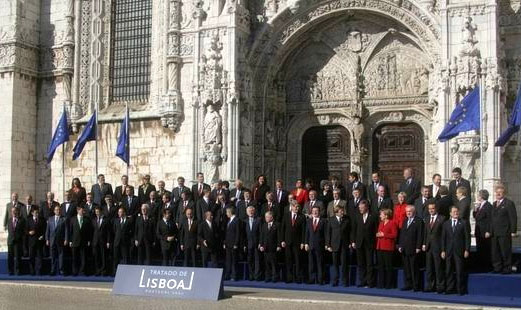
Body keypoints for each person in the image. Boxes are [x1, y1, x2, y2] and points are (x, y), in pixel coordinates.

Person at [441, 206, 471, 295]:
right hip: (448, 250)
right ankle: (449, 289)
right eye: (454, 212)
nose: (456, 213)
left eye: (457, 211)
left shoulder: (464, 223)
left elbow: (467, 237)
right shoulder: (446, 224)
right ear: (450, 213)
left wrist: (466, 249)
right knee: (449, 270)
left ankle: (460, 290)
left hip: (459, 250)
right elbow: (443, 238)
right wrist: (443, 250)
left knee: (459, 271)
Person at [488, 185, 517, 274]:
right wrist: (489, 230)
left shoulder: (509, 203)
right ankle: (497, 268)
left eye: (500, 192)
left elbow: (513, 218)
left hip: (504, 231)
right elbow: (491, 219)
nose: (498, 194)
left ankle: (507, 268)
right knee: (495, 251)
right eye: (497, 192)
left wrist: (513, 231)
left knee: (505, 251)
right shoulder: (494, 204)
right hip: (494, 232)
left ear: (504, 193)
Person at [351, 200, 377, 288]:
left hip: (369, 243)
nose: (360, 209)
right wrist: (353, 241)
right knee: (361, 263)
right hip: (359, 243)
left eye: (362, 208)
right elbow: (353, 230)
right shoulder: (357, 216)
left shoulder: (373, 216)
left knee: (369, 263)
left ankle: (370, 282)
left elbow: (376, 230)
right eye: (359, 208)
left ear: (366, 207)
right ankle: (362, 281)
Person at [398, 205, 424, 291]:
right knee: (407, 268)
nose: (408, 213)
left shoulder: (419, 221)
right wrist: (400, 245)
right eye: (407, 211)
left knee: (414, 268)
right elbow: (402, 234)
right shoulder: (405, 220)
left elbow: (420, 235)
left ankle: (415, 285)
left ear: (414, 212)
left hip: (414, 248)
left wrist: (418, 246)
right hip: (405, 248)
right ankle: (408, 284)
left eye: (410, 211)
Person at [423, 202, 445, 293]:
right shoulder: (427, 219)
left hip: (438, 247)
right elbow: (425, 233)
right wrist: (424, 244)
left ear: (436, 209)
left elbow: (444, 235)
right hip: (428, 247)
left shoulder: (442, 219)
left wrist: (443, 249)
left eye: (432, 208)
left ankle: (440, 286)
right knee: (429, 268)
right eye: (429, 209)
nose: (431, 210)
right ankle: (429, 286)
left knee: (438, 267)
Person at [280, 202, 306, 283]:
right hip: (287, 242)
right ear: (291, 207)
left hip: (297, 243)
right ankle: (289, 277)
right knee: (288, 260)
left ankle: (298, 278)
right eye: (295, 207)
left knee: (298, 260)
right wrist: (282, 240)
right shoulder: (286, 215)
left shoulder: (302, 216)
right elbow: (282, 228)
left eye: (298, 207)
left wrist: (303, 242)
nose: (297, 208)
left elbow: (303, 231)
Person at [326, 206, 350, 287]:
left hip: (344, 245)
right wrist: (328, 244)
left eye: (343, 211)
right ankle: (335, 280)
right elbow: (328, 233)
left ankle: (344, 281)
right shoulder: (331, 219)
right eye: (341, 211)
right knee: (335, 264)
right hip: (334, 245)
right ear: (336, 212)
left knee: (344, 264)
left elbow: (349, 232)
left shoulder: (347, 219)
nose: (342, 212)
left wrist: (350, 242)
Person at [376, 208, 398, 289]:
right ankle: (381, 283)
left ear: (386, 215)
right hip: (380, 247)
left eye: (381, 214)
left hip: (388, 248)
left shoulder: (392, 223)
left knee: (388, 266)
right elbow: (379, 232)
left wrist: (384, 234)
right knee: (381, 266)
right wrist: (378, 234)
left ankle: (389, 284)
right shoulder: (381, 223)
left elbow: (394, 235)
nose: (380, 216)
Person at [305, 205, 326, 285]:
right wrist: (306, 243)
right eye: (313, 211)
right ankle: (312, 279)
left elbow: (325, 234)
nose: (315, 212)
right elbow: (306, 233)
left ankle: (320, 280)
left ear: (319, 212)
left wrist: (326, 244)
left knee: (319, 263)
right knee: (311, 263)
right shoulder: (309, 221)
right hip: (310, 245)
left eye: (316, 211)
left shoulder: (323, 221)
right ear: (311, 212)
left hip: (320, 245)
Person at [69, 205, 92, 276]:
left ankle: (82, 271)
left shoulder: (87, 219)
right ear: (78, 210)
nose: (83, 212)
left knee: (83, 257)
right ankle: (74, 271)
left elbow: (89, 231)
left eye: (83, 210)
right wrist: (70, 240)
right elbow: (70, 231)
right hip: (75, 241)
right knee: (74, 258)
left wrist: (88, 240)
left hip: (83, 242)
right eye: (82, 210)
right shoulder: (72, 219)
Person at [473, 189, 492, 271]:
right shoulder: (480, 205)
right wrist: (475, 210)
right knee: (479, 248)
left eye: (478, 195)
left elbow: (490, 219)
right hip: (479, 231)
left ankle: (486, 266)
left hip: (484, 231)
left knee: (485, 249)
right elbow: (476, 217)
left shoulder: (488, 206)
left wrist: (488, 231)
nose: (477, 197)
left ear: (481, 196)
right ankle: (480, 265)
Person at [259, 210, 281, 282]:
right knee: (266, 264)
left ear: (271, 217)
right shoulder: (264, 225)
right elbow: (261, 236)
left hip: (273, 248)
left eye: (267, 217)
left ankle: (275, 277)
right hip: (265, 248)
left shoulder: (277, 224)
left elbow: (279, 236)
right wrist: (261, 245)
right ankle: (267, 277)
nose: (266, 218)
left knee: (274, 263)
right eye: (265, 217)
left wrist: (278, 245)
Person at [46, 205, 67, 276]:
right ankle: (53, 270)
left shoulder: (63, 219)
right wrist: (47, 239)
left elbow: (66, 230)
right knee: (53, 256)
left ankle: (61, 270)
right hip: (52, 240)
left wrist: (66, 239)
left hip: (60, 240)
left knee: (61, 255)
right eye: (56, 210)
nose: (57, 211)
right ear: (54, 211)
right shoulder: (50, 219)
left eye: (59, 210)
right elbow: (47, 230)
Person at [243, 205, 262, 281]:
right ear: (247, 212)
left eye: (252, 210)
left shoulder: (259, 220)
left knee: (257, 260)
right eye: (249, 211)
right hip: (248, 244)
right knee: (250, 260)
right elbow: (243, 234)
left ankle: (257, 276)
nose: (250, 212)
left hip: (257, 244)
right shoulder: (244, 221)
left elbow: (261, 232)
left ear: (254, 211)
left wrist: (260, 242)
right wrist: (244, 244)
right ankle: (251, 275)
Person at [91, 205, 110, 276]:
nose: (97, 213)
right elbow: (92, 231)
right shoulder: (93, 220)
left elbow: (108, 231)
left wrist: (108, 241)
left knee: (103, 256)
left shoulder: (106, 220)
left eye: (98, 211)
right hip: (95, 241)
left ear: (101, 211)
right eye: (96, 212)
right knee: (96, 256)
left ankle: (104, 270)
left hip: (103, 241)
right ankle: (97, 270)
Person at [26, 208, 46, 275]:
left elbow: (45, 230)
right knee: (31, 257)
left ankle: (39, 271)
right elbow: (25, 230)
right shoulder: (29, 220)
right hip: (31, 242)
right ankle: (32, 271)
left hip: (39, 242)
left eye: (37, 212)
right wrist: (29, 232)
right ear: (32, 213)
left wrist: (43, 236)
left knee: (40, 257)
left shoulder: (42, 220)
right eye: (35, 212)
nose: (37, 214)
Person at [112, 207, 132, 273]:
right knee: (115, 257)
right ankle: (115, 271)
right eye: (119, 212)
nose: (119, 213)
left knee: (125, 257)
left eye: (121, 212)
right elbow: (114, 230)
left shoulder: (129, 220)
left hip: (125, 242)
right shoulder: (116, 220)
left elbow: (131, 231)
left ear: (124, 213)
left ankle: (126, 272)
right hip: (117, 241)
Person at [7, 207, 25, 275]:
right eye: (12, 211)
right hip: (10, 241)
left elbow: (23, 231)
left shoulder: (22, 220)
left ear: (17, 212)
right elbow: (10, 231)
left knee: (18, 257)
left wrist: (19, 238)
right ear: (11, 212)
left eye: (15, 211)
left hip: (18, 241)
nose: (14, 212)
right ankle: (10, 271)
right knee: (10, 257)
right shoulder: (9, 220)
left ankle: (17, 271)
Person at [223, 207, 240, 281]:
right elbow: (227, 233)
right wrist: (225, 242)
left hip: (233, 244)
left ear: (230, 212)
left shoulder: (237, 220)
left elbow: (238, 233)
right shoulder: (229, 220)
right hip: (228, 244)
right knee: (228, 260)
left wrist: (236, 243)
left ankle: (234, 275)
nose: (226, 214)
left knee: (234, 261)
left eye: (227, 212)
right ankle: (227, 275)